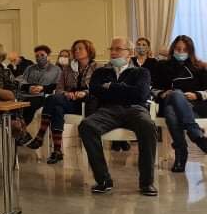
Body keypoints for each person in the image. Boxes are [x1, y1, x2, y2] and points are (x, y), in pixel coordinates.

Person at [78, 37, 157, 196]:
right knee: (86, 126)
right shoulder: (101, 72)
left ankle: (147, 183)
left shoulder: (141, 72)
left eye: (118, 49)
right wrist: (125, 89)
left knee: (148, 126)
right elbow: (95, 91)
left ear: (130, 53)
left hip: (135, 109)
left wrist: (111, 87)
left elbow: (141, 94)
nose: (113, 52)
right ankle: (103, 180)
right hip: (108, 110)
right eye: (111, 49)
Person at [26, 39, 97, 164]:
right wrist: (66, 93)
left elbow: (98, 88)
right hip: (68, 101)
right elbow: (59, 89)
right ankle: (57, 151)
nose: (76, 51)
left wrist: (84, 92)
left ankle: (41, 136)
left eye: (80, 48)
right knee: (56, 107)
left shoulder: (97, 67)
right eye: (75, 49)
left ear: (89, 51)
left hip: (87, 103)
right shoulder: (68, 69)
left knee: (53, 102)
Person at [151, 34, 207, 172]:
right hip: (167, 100)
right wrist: (163, 93)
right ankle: (196, 135)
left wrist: (196, 94)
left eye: (185, 50)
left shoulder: (200, 67)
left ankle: (181, 153)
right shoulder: (162, 66)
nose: (181, 52)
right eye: (178, 49)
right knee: (175, 94)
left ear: (190, 51)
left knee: (172, 111)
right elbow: (151, 88)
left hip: (194, 106)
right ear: (173, 49)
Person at [16, 45, 61, 126]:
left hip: (43, 95)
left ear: (48, 56)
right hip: (26, 94)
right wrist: (28, 87)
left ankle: (23, 126)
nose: (39, 57)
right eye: (37, 56)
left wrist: (43, 88)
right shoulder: (30, 68)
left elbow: (57, 85)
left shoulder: (56, 69)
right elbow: (21, 81)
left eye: (42, 55)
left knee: (30, 104)